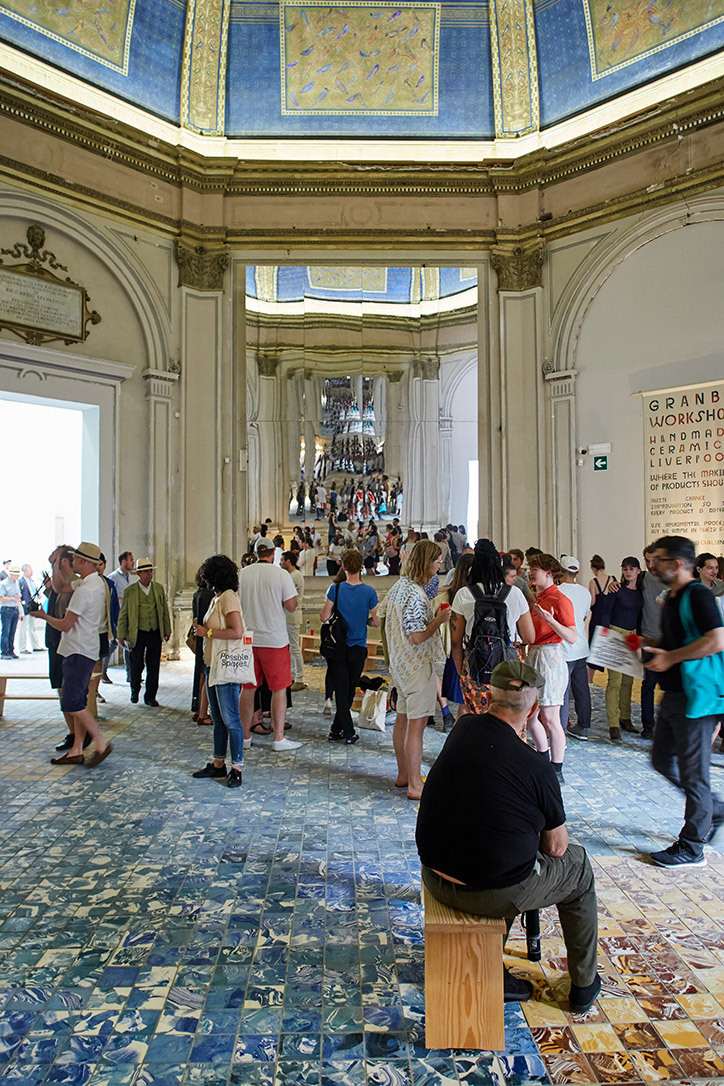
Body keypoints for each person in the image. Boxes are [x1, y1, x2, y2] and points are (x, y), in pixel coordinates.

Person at [416, 659, 602, 1014]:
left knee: (503, 849)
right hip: (486, 892)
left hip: (434, 872)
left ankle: (494, 967)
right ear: (533, 710)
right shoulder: (537, 766)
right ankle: (584, 984)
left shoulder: (464, 727)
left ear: (487, 697)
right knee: (577, 867)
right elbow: (557, 847)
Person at [644, 535, 724, 867]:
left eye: (658, 560)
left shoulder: (699, 595)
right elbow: (676, 639)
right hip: (675, 695)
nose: (652, 565)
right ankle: (715, 809)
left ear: (677, 563)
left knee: (694, 775)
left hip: (698, 698)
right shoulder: (674, 598)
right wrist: (645, 648)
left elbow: (716, 640)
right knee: (661, 760)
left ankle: (692, 846)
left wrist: (671, 657)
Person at [30, 542, 112, 768]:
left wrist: (43, 616)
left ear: (83, 562)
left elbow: (66, 625)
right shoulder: (91, 582)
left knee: (73, 703)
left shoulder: (86, 590)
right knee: (77, 700)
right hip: (82, 649)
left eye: (75, 558)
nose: (72, 561)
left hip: (78, 650)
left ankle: (100, 743)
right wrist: (56, 564)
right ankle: (76, 749)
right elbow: (59, 588)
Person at [378, 539, 449, 799]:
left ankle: (403, 774)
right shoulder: (417, 595)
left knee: (403, 719)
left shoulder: (399, 587)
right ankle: (415, 785)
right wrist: (439, 620)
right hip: (417, 666)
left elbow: (379, 615)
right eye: (437, 560)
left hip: (400, 665)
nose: (439, 565)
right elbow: (418, 636)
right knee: (416, 727)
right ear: (426, 562)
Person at [450, 539, 534, 715]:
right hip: (509, 666)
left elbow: (456, 642)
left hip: (475, 666)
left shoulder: (463, 594)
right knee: (512, 717)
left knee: (478, 719)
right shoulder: (515, 593)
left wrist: (462, 671)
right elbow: (528, 637)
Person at [237, 540, 301, 752]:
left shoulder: (243, 574)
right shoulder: (281, 574)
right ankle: (279, 738)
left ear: (255, 553)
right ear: (273, 553)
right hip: (274, 639)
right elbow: (291, 606)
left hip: (248, 639)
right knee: (278, 689)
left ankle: (245, 737)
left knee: (248, 689)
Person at [191, 554, 245, 788]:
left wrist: (207, 633)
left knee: (231, 719)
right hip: (213, 664)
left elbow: (237, 631)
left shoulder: (229, 598)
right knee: (218, 719)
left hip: (226, 667)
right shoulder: (217, 598)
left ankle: (237, 767)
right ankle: (218, 763)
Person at [320, 548, 380, 743]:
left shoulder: (335, 589)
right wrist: (364, 620)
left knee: (341, 689)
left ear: (343, 566)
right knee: (349, 688)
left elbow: (323, 617)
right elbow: (376, 622)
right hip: (358, 646)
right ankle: (347, 731)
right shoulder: (370, 592)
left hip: (338, 645)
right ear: (362, 567)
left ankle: (338, 730)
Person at [526, 553, 577, 784]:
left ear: (548, 573)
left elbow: (572, 637)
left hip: (550, 657)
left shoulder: (560, 600)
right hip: (535, 655)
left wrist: (550, 620)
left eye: (534, 569)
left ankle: (557, 769)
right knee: (530, 715)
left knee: (550, 716)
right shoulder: (537, 598)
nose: (529, 572)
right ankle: (543, 759)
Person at [44, 545, 88, 755]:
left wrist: (43, 617)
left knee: (70, 694)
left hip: (68, 646)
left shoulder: (74, 584)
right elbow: (56, 598)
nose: (51, 560)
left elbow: (65, 617)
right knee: (62, 692)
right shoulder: (60, 584)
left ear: (63, 561)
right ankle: (74, 734)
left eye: (55, 559)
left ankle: (79, 736)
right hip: (56, 644)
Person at [597, 557, 643, 741]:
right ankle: (613, 723)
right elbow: (605, 613)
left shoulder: (640, 592)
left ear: (638, 571)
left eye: (632, 568)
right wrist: (607, 636)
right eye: (625, 568)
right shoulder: (616, 590)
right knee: (614, 681)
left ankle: (626, 717)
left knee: (628, 681)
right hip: (616, 632)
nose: (628, 572)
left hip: (632, 635)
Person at [116, 558, 172, 706]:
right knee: (137, 664)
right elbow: (124, 614)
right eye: (146, 571)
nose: (149, 574)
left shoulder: (158, 589)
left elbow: (164, 611)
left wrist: (167, 629)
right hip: (137, 632)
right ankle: (135, 689)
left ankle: (150, 696)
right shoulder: (130, 591)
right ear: (139, 573)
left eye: (150, 571)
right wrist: (120, 634)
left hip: (154, 631)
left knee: (154, 666)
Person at [558, 556, 592, 741]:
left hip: (563, 647)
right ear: (577, 572)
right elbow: (585, 617)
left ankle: (560, 728)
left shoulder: (556, 591)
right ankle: (584, 726)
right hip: (581, 646)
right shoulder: (585, 593)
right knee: (582, 688)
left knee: (562, 688)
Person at [639, 544, 664, 739]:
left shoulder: (672, 580)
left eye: (653, 559)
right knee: (648, 684)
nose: (650, 564)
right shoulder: (642, 579)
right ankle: (648, 726)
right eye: (647, 560)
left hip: (669, 641)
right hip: (648, 638)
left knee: (670, 687)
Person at [107, 551, 137, 682]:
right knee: (113, 643)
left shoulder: (128, 577)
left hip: (127, 615)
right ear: (124, 562)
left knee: (128, 644)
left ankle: (130, 674)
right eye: (131, 560)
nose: (133, 562)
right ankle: (102, 670)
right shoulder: (114, 577)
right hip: (117, 615)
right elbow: (110, 596)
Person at [281, 550, 307, 691]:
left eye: (282, 560)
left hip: (292, 615)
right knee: (289, 648)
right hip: (286, 615)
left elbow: (285, 595)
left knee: (295, 648)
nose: (280, 563)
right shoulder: (289, 575)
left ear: (289, 561)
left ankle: (299, 678)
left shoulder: (295, 576)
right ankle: (291, 676)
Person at [191, 566, 214, 725]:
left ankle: (198, 708)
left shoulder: (198, 593)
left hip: (200, 635)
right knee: (204, 673)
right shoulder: (208, 595)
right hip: (206, 636)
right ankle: (202, 711)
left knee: (200, 671)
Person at [587, 554, 615, 682]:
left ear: (593, 568)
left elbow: (592, 601)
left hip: (597, 618)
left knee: (594, 649)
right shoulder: (612, 579)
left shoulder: (593, 582)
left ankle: (590, 680)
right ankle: (611, 679)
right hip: (609, 618)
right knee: (608, 649)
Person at [17, 565, 44, 653]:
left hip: (33, 606)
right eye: (29, 570)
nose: (31, 572)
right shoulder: (20, 582)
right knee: (23, 628)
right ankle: (22, 647)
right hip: (25, 607)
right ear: (24, 572)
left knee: (32, 627)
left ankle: (36, 646)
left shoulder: (32, 581)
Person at [0, 565, 22, 659]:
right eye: (15, 575)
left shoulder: (16, 583)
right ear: (10, 574)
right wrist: (13, 598)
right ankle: (4, 652)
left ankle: (11, 650)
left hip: (14, 608)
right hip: (6, 609)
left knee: (12, 631)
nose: (17, 577)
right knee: (6, 631)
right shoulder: (3, 584)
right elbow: (1, 598)